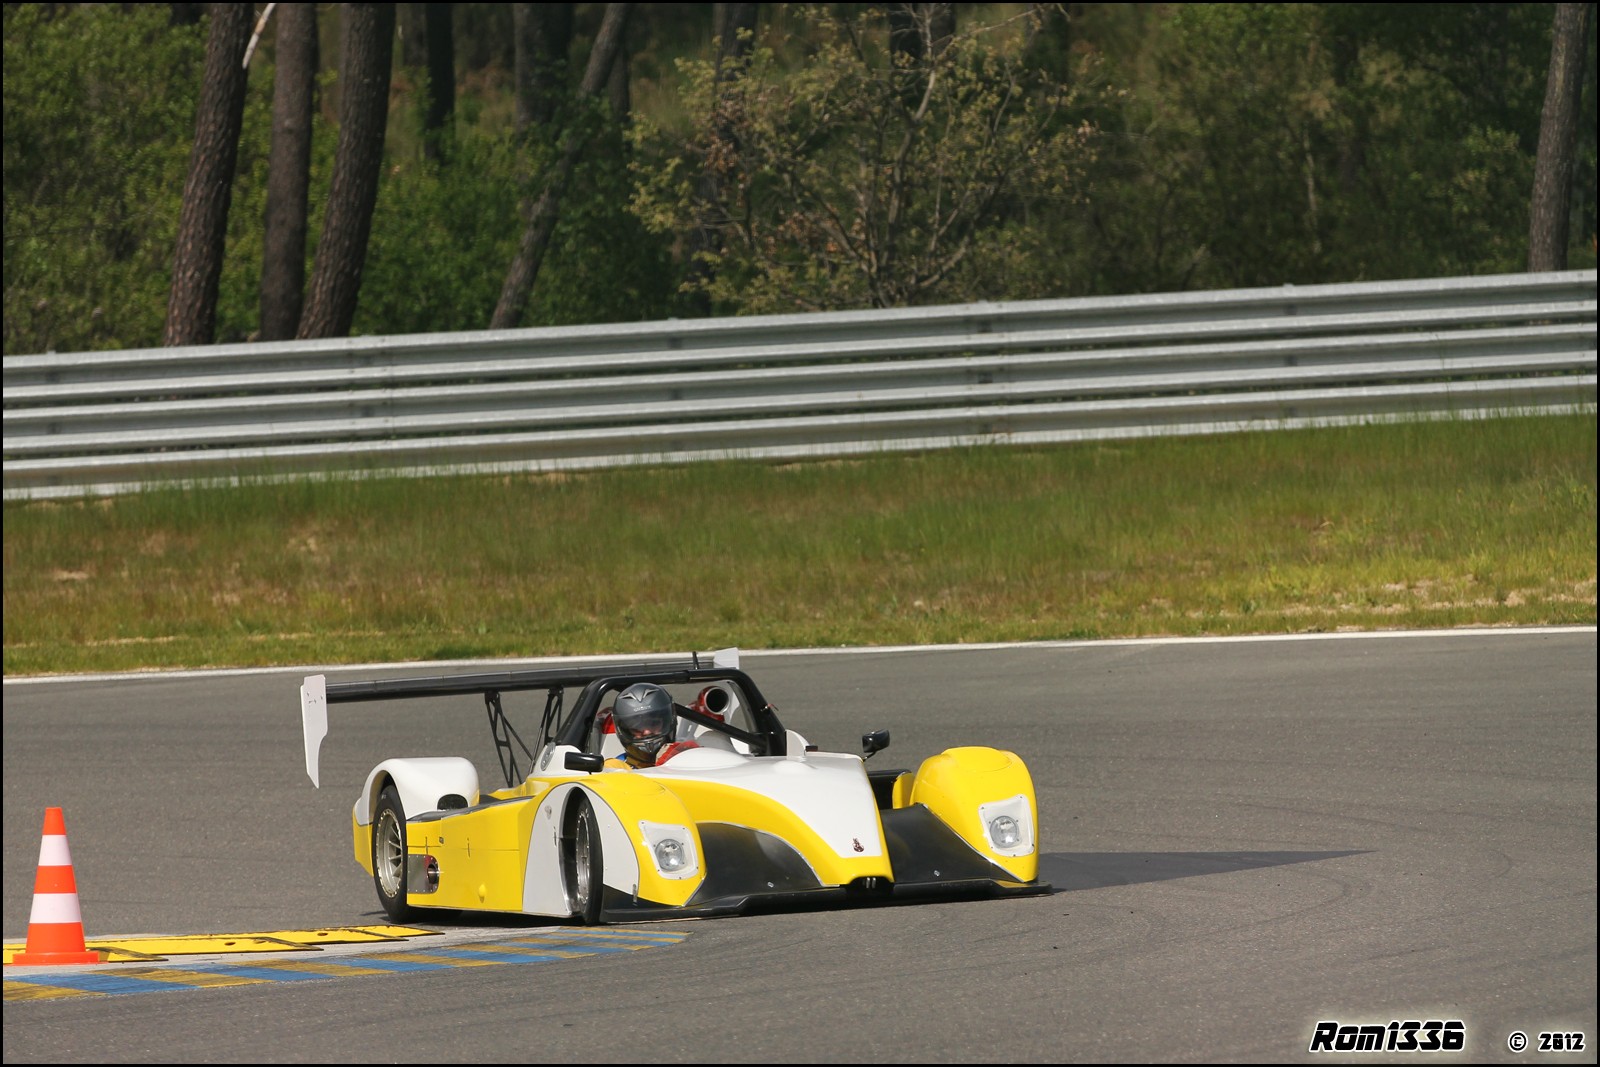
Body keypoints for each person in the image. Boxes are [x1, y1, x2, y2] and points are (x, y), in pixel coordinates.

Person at [608, 682, 699, 769]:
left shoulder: (689, 757)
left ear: (669, 721)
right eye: (636, 727)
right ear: (624, 730)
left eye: (654, 723)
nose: (647, 731)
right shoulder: (613, 768)